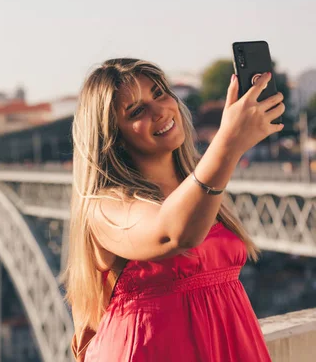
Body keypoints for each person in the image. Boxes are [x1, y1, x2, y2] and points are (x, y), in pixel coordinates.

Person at [64, 58, 284, 361]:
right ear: (112, 138)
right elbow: (174, 234)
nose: (160, 111)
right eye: (137, 111)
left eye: (159, 93)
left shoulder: (200, 191)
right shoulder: (105, 206)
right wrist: (228, 142)